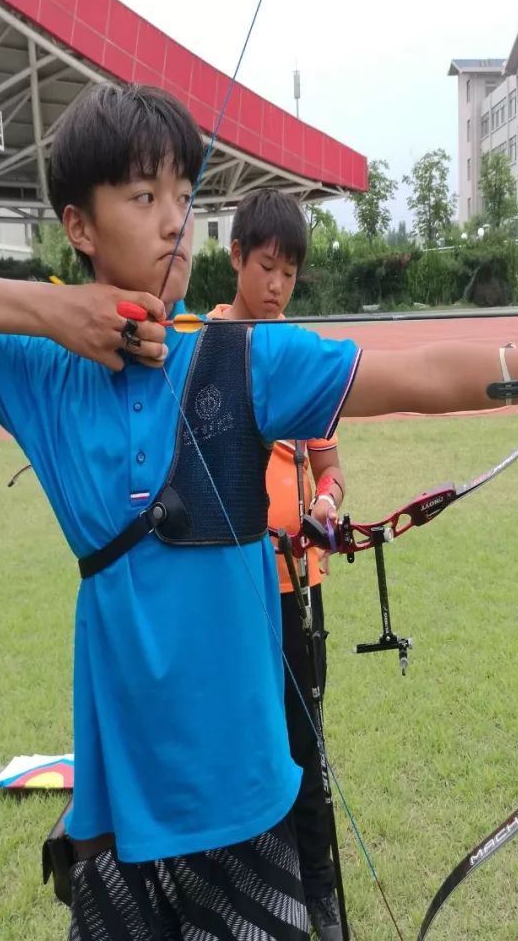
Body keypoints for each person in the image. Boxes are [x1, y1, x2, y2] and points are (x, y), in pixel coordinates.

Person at [0, 81, 518, 941]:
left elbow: (420, 374)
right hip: (117, 816)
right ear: (79, 225)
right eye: (141, 197)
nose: (173, 222)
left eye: (181, 197)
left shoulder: (244, 360)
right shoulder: (43, 379)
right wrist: (50, 310)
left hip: (240, 801)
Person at [209, 189, 347, 940]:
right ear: (235, 258)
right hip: (228, 592)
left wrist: (325, 503)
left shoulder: (301, 356)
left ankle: (318, 897)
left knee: (304, 743)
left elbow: (332, 472)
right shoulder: (200, 343)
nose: (277, 286)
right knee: (237, 736)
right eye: (266, 266)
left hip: (297, 589)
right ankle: (241, 889)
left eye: (290, 273)